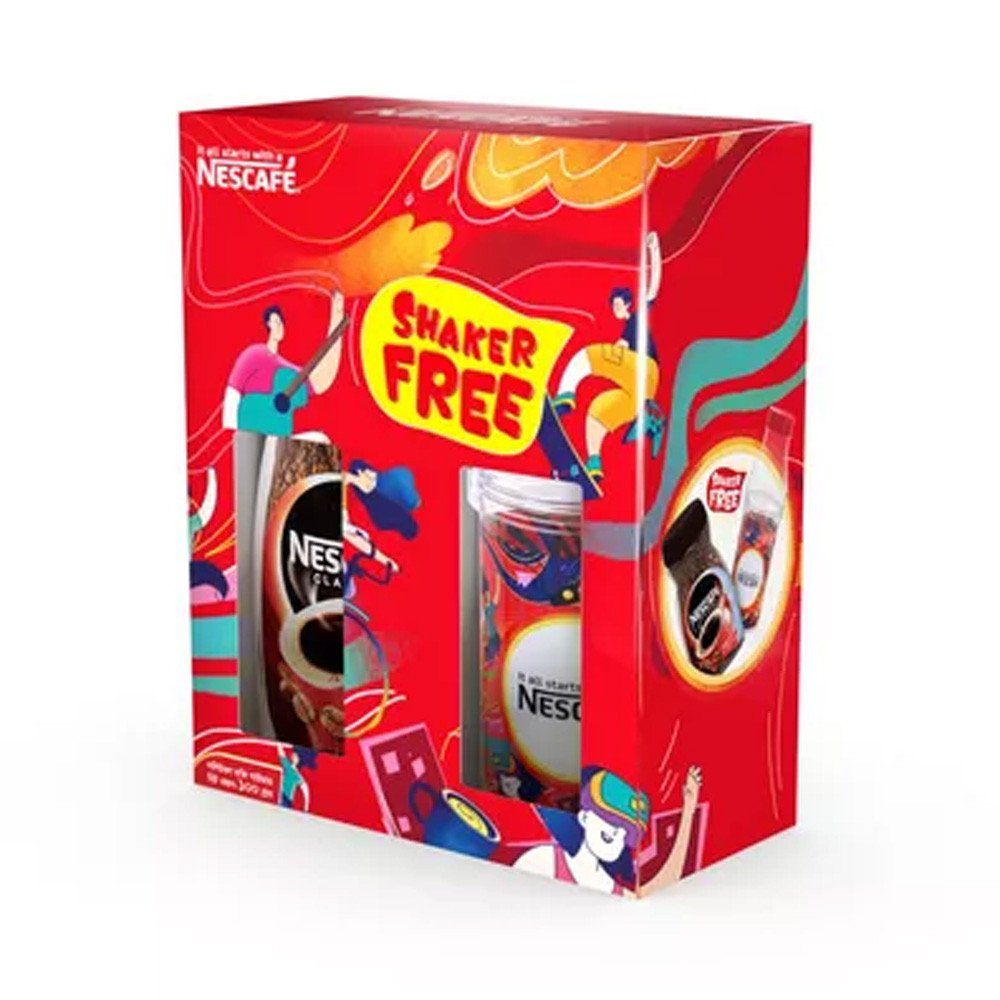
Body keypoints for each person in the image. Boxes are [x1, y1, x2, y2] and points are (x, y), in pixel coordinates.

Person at [552, 232, 662, 482]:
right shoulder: (625, 334)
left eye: (618, 304)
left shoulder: (639, 316)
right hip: (639, 394)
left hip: (645, 369)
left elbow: (653, 286)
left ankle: (566, 395)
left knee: (585, 356)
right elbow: (621, 348)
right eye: (613, 305)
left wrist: (654, 249)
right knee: (597, 412)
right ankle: (594, 463)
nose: (615, 308)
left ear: (628, 304)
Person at [514, 763, 701, 896]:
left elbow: (662, 882)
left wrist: (688, 813)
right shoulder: (545, 859)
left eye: (627, 832)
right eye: (611, 819)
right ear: (584, 817)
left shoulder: (610, 886)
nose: (618, 832)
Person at [222, 289, 345, 430]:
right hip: (250, 435)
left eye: (281, 322)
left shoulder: (287, 371)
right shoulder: (253, 355)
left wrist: (337, 315)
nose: (279, 325)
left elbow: (320, 380)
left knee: (319, 438)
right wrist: (230, 432)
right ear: (267, 324)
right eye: (275, 321)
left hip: (280, 439)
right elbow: (233, 393)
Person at [276, 744, 318, 810]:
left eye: (296, 756)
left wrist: (306, 806)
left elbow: (305, 789)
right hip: (283, 799)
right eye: (293, 755)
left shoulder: (293, 772)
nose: (293, 756)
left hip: (286, 801)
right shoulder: (290, 768)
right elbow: (281, 754)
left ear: (298, 760)